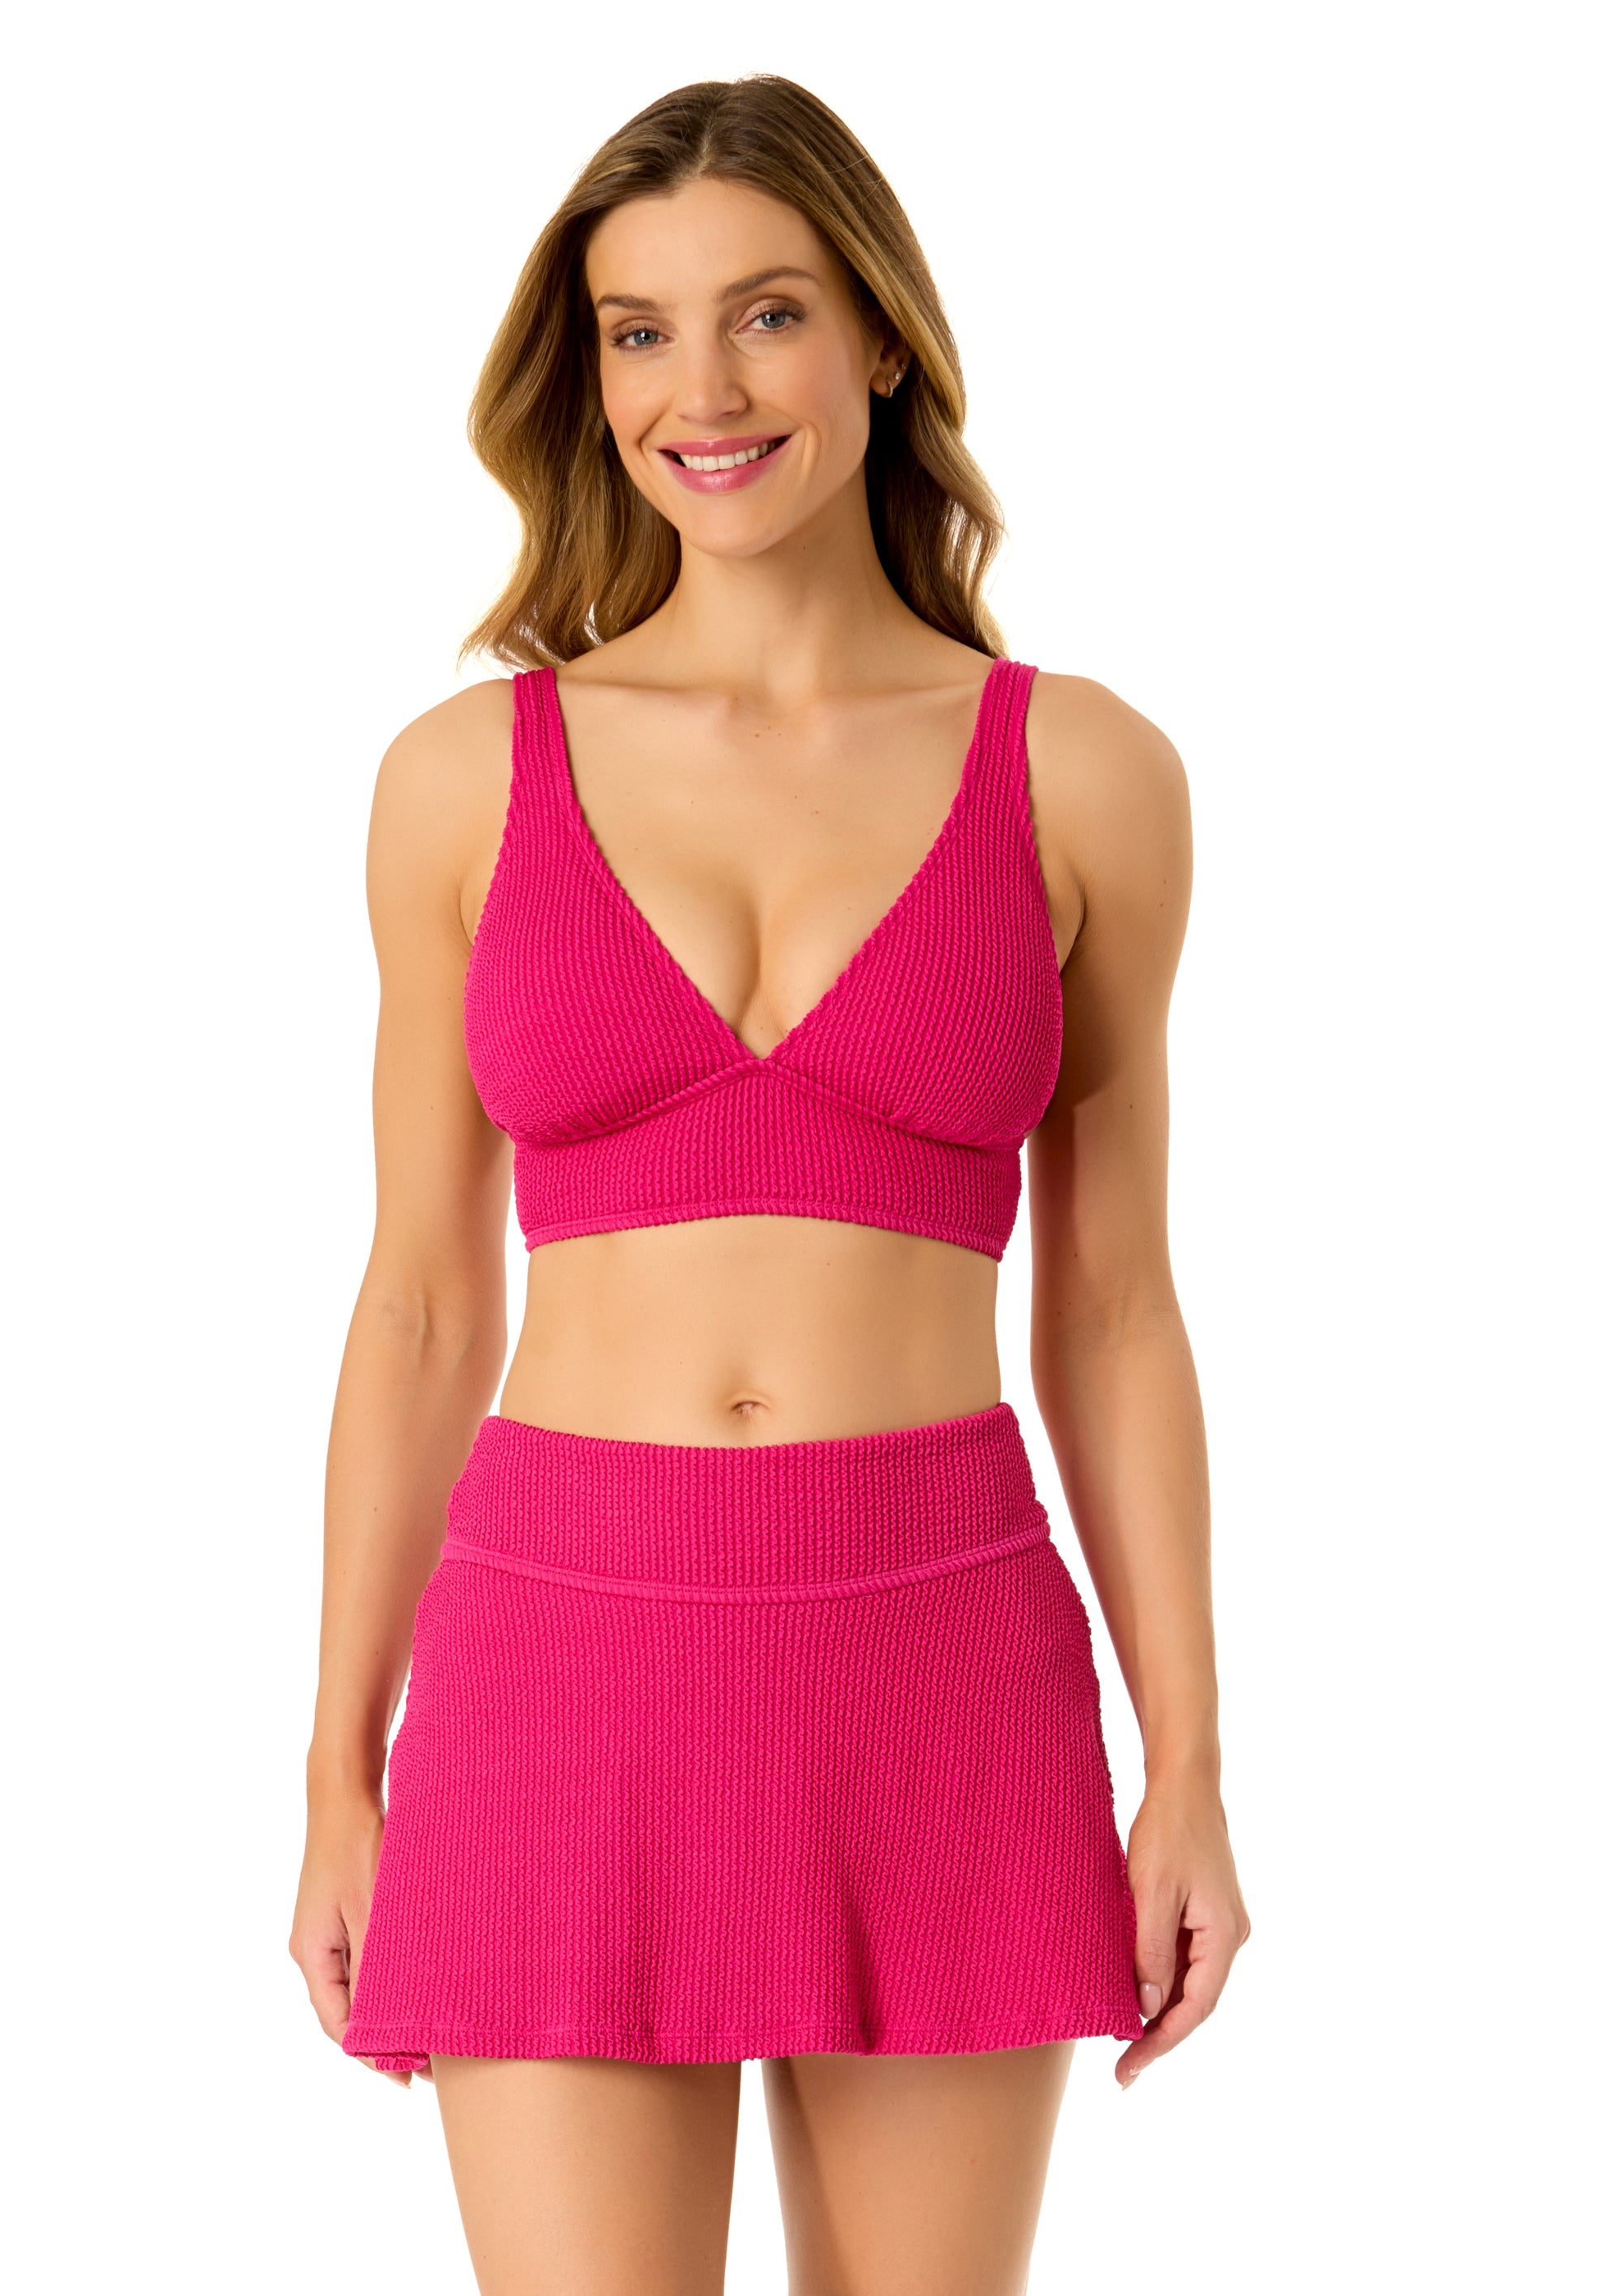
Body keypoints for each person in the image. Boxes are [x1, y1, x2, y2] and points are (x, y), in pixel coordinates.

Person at [290, 72, 1249, 2296]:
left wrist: (1189, 1756)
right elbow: (419, 1303)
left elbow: (1116, 1306)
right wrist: (339, 1766)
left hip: (938, 1647)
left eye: (768, 314)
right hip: (561, 1662)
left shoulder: (1083, 772)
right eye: (637, 331)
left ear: (883, 337)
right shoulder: (466, 777)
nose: (699, 393)